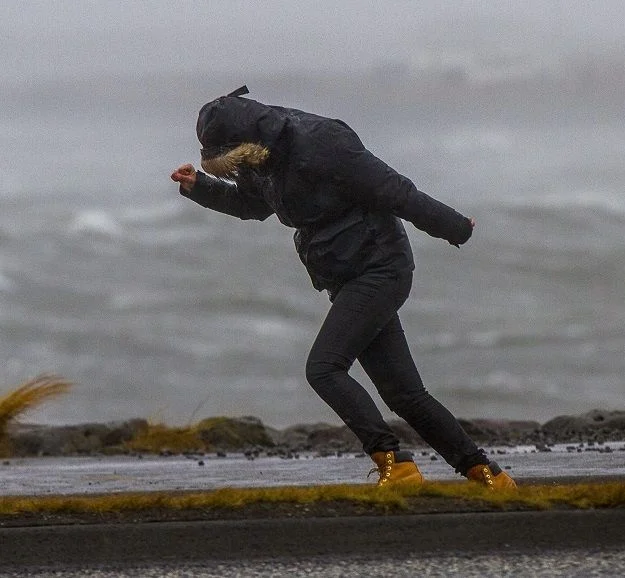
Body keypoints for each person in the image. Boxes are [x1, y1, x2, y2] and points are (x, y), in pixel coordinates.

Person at [170, 86, 516, 489]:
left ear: (246, 141)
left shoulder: (323, 141)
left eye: (231, 163)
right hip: (344, 275)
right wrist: (201, 188)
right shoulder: (260, 160)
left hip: (381, 266)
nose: (234, 169)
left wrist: (454, 227)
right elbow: (255, 206)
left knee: (324, 368)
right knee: (404, 394)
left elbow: (396, 192)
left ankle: (396, 465)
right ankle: (487, 476)